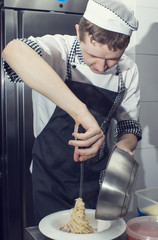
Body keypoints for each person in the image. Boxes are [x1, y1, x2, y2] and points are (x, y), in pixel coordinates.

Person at [2, 0, 142, 224]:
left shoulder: (128, 70)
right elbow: (13, 52)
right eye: (93, 56)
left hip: (98, 181)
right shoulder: (60, 50)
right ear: (79, 33)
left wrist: (124, 146)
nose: (100, 66)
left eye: (111, 60)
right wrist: (80, 111)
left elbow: (129, 127)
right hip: (50, 177)